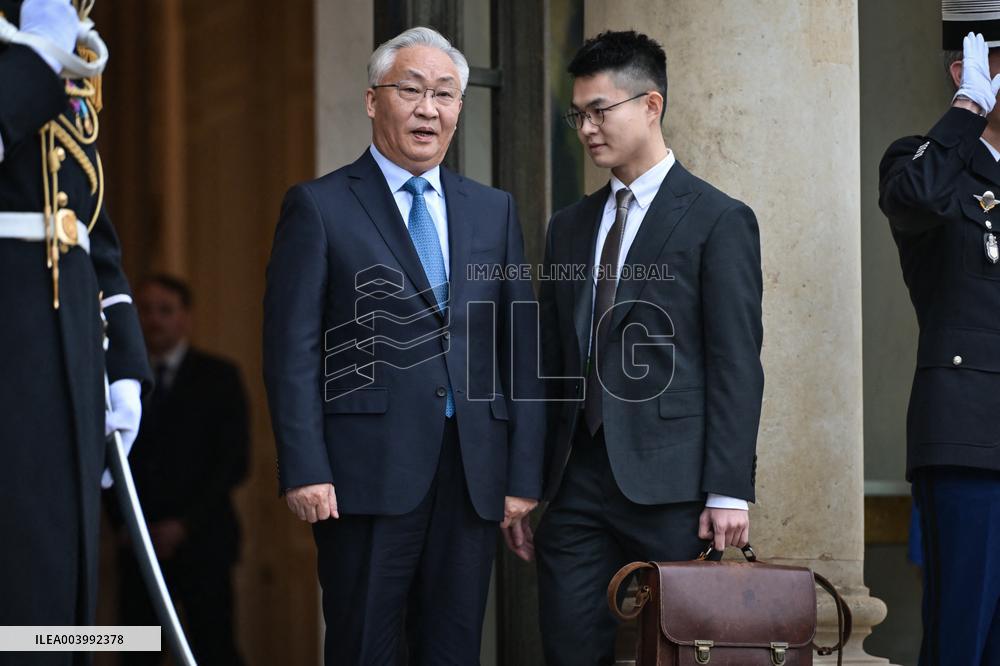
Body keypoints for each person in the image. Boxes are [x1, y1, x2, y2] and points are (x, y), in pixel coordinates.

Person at [262, 26, 544, 665]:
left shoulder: (492, 210)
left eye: (444, 94)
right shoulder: (319, 206)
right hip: (363, 474)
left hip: (472, 473)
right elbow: (292, 349)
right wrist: (305, 466)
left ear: (459, 110)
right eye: (411, 90)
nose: (428, 109)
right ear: (371, 100)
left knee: (453, 649)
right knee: (366, 646)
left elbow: (517, 345)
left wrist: (522, 473)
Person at [531, 30, 764, 665]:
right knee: (568, 648)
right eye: (577, 114)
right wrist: (528, 482)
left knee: (684, 654)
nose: (585, 129)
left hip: (676, 487)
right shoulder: (570, 226)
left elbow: (737, 361)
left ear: (651, 105)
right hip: (577, 480)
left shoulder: (719, 219)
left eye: (599, 111)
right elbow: (553, 360)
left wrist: (728, 489)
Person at [0, 0, 149, 661]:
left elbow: (86, 224)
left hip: (66, 347)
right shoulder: (39, 43)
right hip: (12, 333)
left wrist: (123, 367)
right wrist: (35, 59)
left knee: (60, 590)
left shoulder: (63, 34)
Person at [878, 6, 1000, 661]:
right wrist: (966, 111)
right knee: (962, 641)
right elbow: (914, 197)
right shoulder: (928, 165)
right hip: (971, 443)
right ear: (970, 71)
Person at [110, 275, 249, 666]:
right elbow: (107, 458)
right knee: (137, 652)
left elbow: (233, 462)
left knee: (213, 648)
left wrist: (183, 525)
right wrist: (125, 524)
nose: (153, 320)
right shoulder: (120, 380)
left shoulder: (219, 377)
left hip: (203, 542)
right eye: (144, 310)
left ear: (185, 317)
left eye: (164, 310)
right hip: (136, 544)